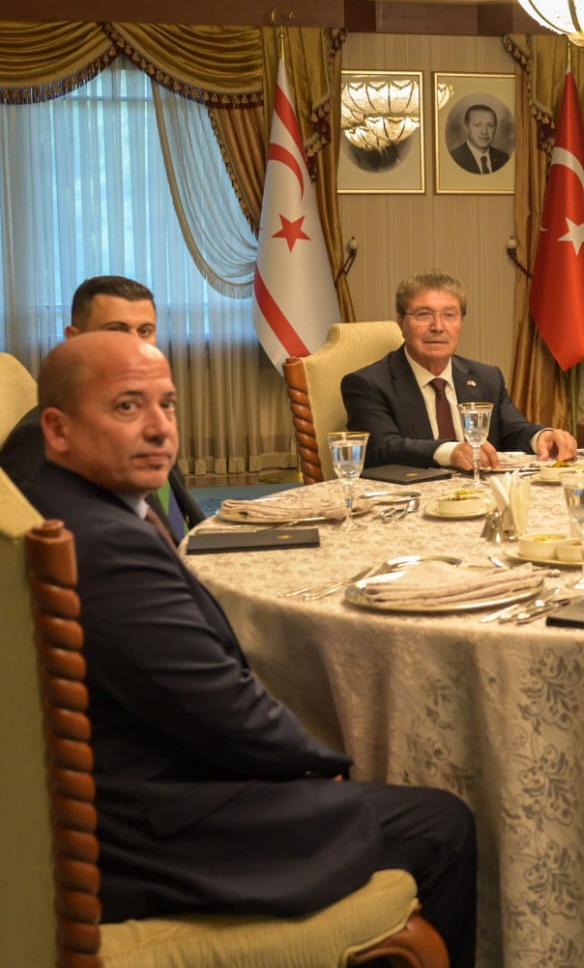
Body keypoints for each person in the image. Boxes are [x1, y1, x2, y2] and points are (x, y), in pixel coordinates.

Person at [23, 332, 478, 966]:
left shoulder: (56, 501)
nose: (159, 428)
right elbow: (216, 706)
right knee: (443, 822)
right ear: (58, 429)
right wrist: (325, 763)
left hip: (130, 783)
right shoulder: (102, 544)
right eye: (127, 406)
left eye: (167, 405)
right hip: (151, 835)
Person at [1, 275, 203, 535]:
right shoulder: (43, 437)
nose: (134, 344)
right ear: (74, 338)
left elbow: (176, 519)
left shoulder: (151, 416)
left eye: (144, 331)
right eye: (115, 330)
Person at [342, 269, 577, 469]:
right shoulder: (367, 384)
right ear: (401, 323)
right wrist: (450, 452)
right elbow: (381, 448)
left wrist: (542, 437)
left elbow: (513, 430)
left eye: (449, 315)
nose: (438, 326)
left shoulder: (487, 377)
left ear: (460, 322)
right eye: (423, 315)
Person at [448, 103, 510, 175]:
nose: (484, 132)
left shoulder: (503, 158)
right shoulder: (455, 158)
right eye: (477, 125)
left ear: (495, 128)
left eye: (490, 125)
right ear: (466, 128)